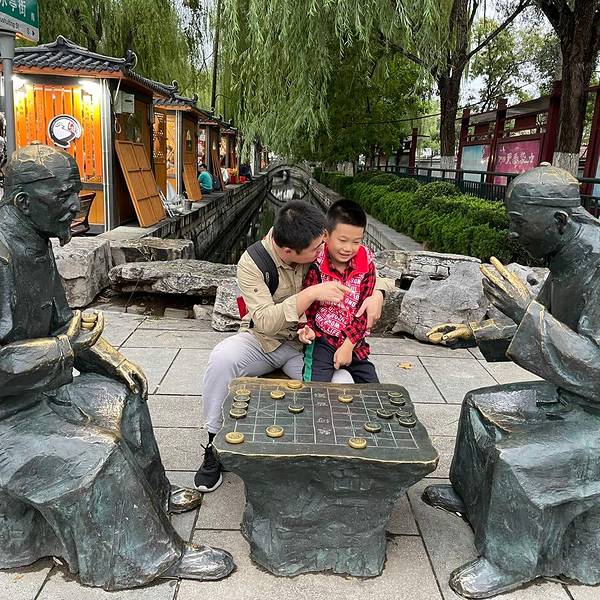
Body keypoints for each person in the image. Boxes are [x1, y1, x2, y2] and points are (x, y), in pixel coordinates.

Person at [0, 143, 234, 590]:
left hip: (38, 391)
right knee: (98, 450)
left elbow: (63, 324)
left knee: (124, 396)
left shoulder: (34, 241)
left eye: (75, 192)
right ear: (24, 203)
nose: (76, 206)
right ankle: (152, 555)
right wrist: (64, 348)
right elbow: (54, 343)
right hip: (7, 417)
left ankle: (152, 497)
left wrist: (111, 358)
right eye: (63, 196)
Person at [423, 164, 600, 598]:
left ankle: (509, 561)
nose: (512, 232)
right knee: (478, 405)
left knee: (516, 457)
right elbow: (551, 325)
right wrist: (477, 333)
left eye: (519, 222)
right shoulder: (566, 254)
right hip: (574, 395)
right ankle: (471, 496)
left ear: (559, 220)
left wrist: (525, 312)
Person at [194, 200, 394, 492]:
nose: (322, 250)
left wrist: (378, 294)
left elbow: (366, 266)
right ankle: (214, 444)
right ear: (289, 251)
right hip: (264, 341)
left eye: (322, 244)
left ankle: (327, 451)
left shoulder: (315, 240)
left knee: (343, 382)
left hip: (308, 346)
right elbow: (264, 321)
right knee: (222, 359)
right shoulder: (253, 262)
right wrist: (310, 294)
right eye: (316, 249)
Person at [299, 199, 379, 383]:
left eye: (356, 242)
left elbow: (364, 311)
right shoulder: (316, 265)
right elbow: (309, 307)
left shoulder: (366, 266)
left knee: (374, 389)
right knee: (315, 388)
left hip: (354, 342)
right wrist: (307, 328)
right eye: (342, 240)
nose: (348, 248)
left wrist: (349, 345)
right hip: (322, 340)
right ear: (326, 236)